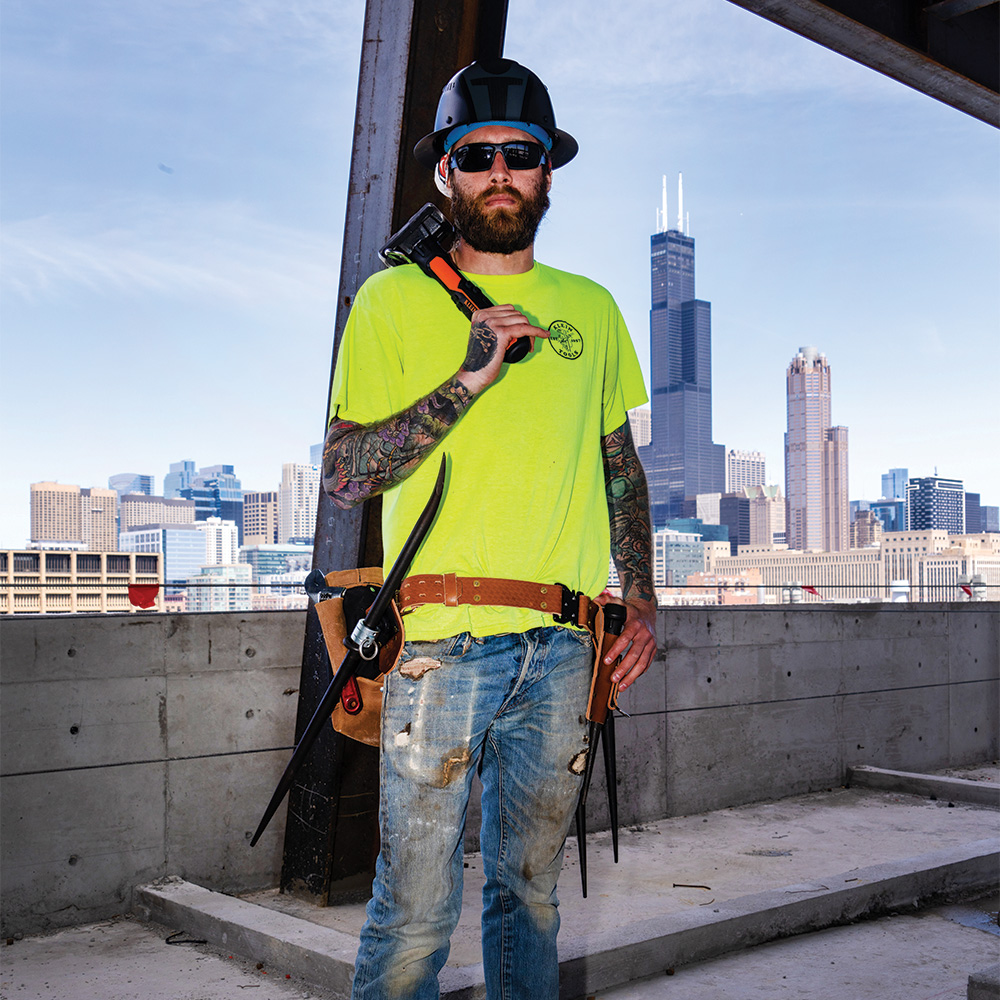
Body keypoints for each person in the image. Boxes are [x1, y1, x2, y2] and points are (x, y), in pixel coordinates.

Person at [323, 57, 656, 1000]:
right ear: (447, 173)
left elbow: (620, 467)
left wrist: (641, 598)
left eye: (521, 152)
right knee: (415, 910)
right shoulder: (390, 302)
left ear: (548, 170)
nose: (500, 171)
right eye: (477, 155)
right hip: (439, 649)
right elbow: (346, 476)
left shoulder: (591, 308)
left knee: (531, 897)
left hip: (564, 647)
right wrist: (469, 376)